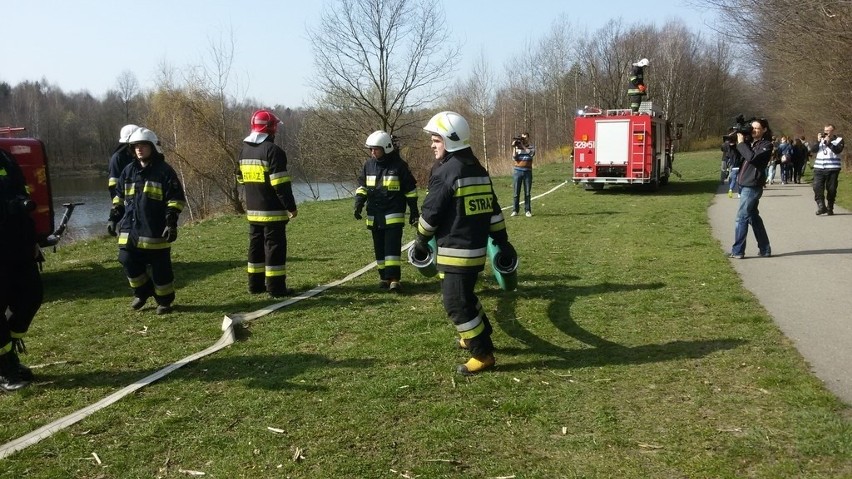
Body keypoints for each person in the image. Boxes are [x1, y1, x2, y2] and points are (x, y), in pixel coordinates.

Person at [413, 111, 516, 375]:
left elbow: (431, 212)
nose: (432, 145)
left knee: (456, 303)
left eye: (436, 139)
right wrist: (502, 241)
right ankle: (477, 334)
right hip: (475, 251)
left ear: (449, 140)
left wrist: (421, 239)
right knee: (466, 296)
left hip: (455, 252)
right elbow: (493, 209)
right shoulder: (476, 168)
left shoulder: (447, 171)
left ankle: (482, 354)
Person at [112, 128, 186, 314]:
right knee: (126, 258)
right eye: (136, 146)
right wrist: (113, 218)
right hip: (130, 228)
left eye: (143, 145)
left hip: (155, 229)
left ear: (153, 147)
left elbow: (175, 200)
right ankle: (142, 292)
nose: (139, 149)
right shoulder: (128, 171)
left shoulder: (164, 171)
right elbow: (119, 197)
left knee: (161, 269)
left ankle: (164, 301)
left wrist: (171, 222)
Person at [237, 109, 298, 297]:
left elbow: (240, 179)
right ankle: (276, 287)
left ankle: (255, 285)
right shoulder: (273, 151)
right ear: (271, 129)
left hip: (253, 211)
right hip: (272, 211)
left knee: (255, 247)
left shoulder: (244, 150)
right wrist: (291, 207)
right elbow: (280, 184)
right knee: (274, 248)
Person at [354, 130, 419, 291]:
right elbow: (362, 187)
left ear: (386, 148)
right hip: (375, 215)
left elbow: (410, 190)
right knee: (380, 249)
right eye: (371, 149)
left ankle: (394, 279)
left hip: (393, 214)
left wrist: (414, 211)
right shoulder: (368, 165)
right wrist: (358, 204)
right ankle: (383, 278)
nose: (372, 152)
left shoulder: (399, 166)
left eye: (376, 149)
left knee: (392, 249)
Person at [0, 148, 43, 391]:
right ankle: (5, 369)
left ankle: (9, 357)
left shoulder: (5, 157)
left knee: (31, 296)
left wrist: (33, 239)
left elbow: (21, 195)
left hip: (18, 244)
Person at [730, 117, 772, 259]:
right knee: (753, 217)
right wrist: (734, 143)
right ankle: (765, 249)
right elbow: (737, 156)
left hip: (752, 185)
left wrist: (742, 144)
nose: (754, 130)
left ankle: (738, 251)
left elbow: (752, 158)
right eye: (752, 128)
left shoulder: (766, 145)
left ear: (764, 130)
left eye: (757, 128)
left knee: (741, 217)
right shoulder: (750, 143)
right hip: (743, 184)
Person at [107, 124, 139, 236]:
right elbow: (114, 188)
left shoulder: (138, 157)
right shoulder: (118, 158)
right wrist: (116, 214)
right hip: (127, 205)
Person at [810, 124, 845, 215]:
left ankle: (830, 207)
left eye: (828, 131)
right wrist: (818, 141)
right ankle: (821, 206)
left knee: (832, 189)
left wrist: (828, 142)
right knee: (817, 187)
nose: (826, 132)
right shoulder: (820, 140)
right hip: (819, 168)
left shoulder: (838, 140)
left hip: (832, 168)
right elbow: (813, 150)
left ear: (833, 131)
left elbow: (838, 150)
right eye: (825, 130)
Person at [511, 132, 535, 217]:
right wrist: (514, 147)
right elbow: (514, 157)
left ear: (528, 138)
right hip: (518, 171)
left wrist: (523, 146)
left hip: (527, 172)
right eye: (522, 138)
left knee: (527, 192)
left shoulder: (531, 147)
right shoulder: (517, 147)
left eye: (525, 138)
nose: (523, 139)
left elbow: (531, 153)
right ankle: (515, 210)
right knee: (516, 192)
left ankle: (527, 210)